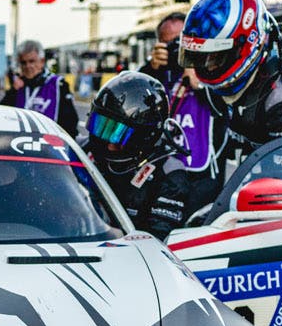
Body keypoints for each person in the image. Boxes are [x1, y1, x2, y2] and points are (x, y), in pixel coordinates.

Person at [180, 0, 282, 153]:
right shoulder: (217, 90)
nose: (207, 67)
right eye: (201, 57)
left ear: (246, 46)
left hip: (275, 177)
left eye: (216, 57)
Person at [84, 71, 197, 238]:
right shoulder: (81, 150)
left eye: (118, 135)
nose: (108, 144)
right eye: (102, 128)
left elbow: (155, 242)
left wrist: (104, 230)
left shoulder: (170, 175)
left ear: (145, 136)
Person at [139, 11, 230, 189]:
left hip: (201, 177)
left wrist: (200, 80)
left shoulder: (212, 72)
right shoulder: (152, 76)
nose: (176, 48)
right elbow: (134, 108)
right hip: (161, 171)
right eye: (168, 43)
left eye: (180, 42)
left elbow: (226, 109)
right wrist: (150, 69)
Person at [0, 40, 78, 137]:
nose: (28, 66)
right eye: (23, 63)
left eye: (32, 61)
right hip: (20, 143)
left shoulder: (58, 84)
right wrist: (13, 91)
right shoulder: (18, 86)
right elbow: (1, 115)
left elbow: (71, 123)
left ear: (42, 62)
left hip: (48, 145)